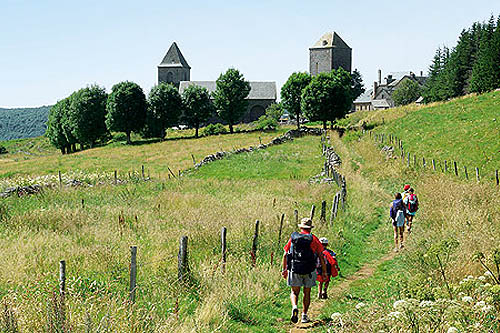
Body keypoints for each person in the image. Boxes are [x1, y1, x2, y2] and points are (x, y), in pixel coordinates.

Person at [282, 218, 327, 324]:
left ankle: (294, 307)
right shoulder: (314, 239)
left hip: (295, 268)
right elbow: (321, 256)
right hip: (310, 270)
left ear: (301, 227)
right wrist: (324, 272)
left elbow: (285, 254)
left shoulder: (293, 238)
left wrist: (285, 269)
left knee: (294, 292)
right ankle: (304, 315)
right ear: (310, 228)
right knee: (307, 293)